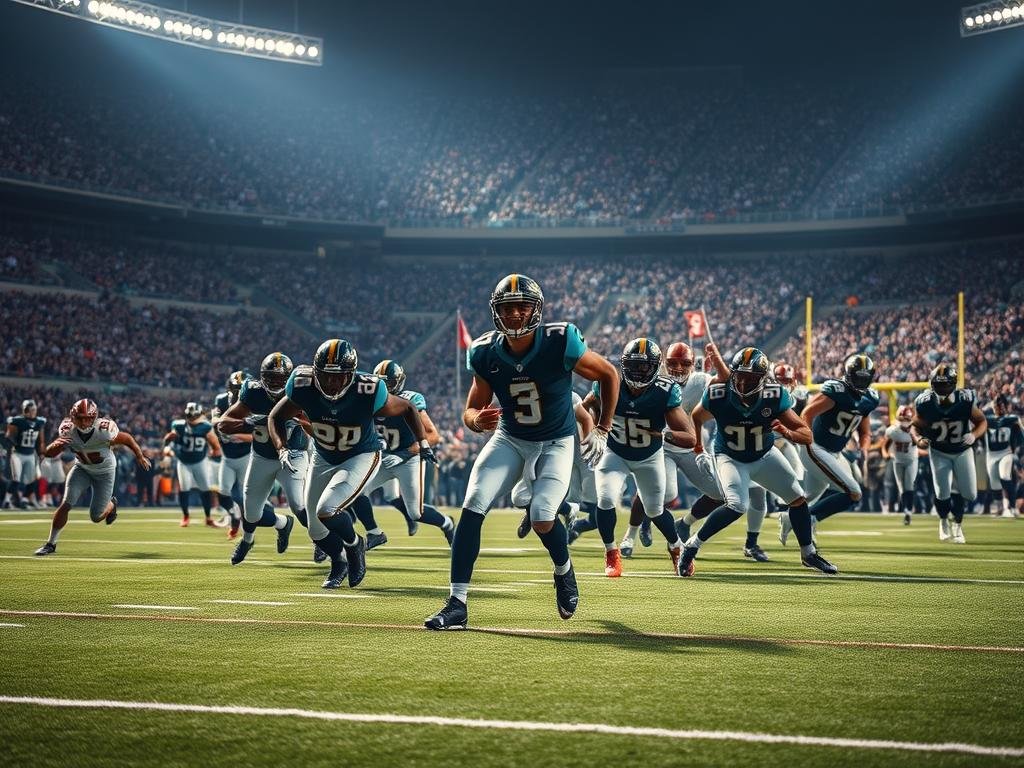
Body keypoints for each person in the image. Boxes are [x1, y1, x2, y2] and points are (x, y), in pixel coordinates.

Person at [424, 274, 619, 630]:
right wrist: (474, 420)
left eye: (522, 306)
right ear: (496, 312)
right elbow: (472, 408)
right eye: (507, 307)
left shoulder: (560, 341)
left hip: (556, 440)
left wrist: (603, 427)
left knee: (544, 516)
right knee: (473, 503)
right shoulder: (484, 351)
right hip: (511, 437)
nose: (514, 314)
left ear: (536, 309)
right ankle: (457, 603)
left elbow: (608, 374)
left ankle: (564, 570)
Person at [269, 339, 438, 589]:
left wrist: (423, 443)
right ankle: (339, 562)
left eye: (339, 377)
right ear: (316, 372)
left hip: (360, 454)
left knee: (327, 509)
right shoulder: (302, 384)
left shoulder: (368, 389)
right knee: (315, 529)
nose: (331, 382)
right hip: (323, 456)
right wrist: (281, 447)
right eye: (325, 376)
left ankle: (354, 544)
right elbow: (275, 416)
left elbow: (408, 408)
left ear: (351, 374)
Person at [679, 347, 837, 576]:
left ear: (763, 379)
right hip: (730, 457)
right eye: (739, 376)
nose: (742, 383)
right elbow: (697, 415)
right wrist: (699, 448)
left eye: (750, 378)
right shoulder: (718, 394)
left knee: (797, 498)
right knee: (737, 505)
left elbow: (806, 434)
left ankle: (808, 553)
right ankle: (691, 545)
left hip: (763, 454)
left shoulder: (774, 395)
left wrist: (789, 433)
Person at [584, 338, 695, 577]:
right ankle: (611, 553)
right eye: (633, 365)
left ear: (655, 367)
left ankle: (677, 548)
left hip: (649, 456)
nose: (637, 371)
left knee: (654, 510)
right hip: (615, 452)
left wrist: (663, 434)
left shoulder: (665, 391)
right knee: (605, 499)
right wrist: (593, 427)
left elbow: (689, 437)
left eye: (644, 366)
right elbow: (586, 407)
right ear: (624, 365)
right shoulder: (608, 382)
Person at [217, 353, 314, 565]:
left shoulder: (299, 392)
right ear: (262, 377)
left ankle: (320, 541)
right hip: (262, 455)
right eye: (271, 377)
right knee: (250, 510)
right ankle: (248, 540)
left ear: (289, 379)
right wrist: (250, 423)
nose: (275, 383)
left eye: (280, 379)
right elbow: (223, 423)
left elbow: (317, 428)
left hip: (293, 454)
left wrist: (301, 421)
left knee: (298, 504)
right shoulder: (253, 392)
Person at [779, 354, 877, 543]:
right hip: (815, 446)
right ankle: (810, 519)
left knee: (810, 496)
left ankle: (790, 518)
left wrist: (864, 448)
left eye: (865, 378)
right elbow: (807, 412)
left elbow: (865, 432)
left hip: (834, 452)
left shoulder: (869, 398)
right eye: (858, 377)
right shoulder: (837, 391)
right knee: (853, 492)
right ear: (849, 375)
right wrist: (805, 435)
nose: (861, 381)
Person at [33, 399, 150, 556]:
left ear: (94, 417)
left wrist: (140, 456)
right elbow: (48, 453)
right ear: (73, 417)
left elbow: (127, 438)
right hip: (82, 469)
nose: (84, 422)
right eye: (80, 418)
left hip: (105, 472)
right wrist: (55, 446)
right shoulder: (67, 429)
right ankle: (50, 544)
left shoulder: (104, 430)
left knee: (95, 517)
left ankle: (111, 505)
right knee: (66, 503)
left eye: (88, 418)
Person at [912, 364, 987, 543]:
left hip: (962, 449)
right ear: (932, 384)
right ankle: (945, 521)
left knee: (969, 494)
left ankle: (958, 523)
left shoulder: (965, 399)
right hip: (939, 450)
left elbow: (982, 421)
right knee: (942, 492)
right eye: (939, 384)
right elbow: (915, 426)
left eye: (946, 384)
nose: (943, 389)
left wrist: (974, 434)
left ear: (953, 384)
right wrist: (918, 440)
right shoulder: (924, 402)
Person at [163, 402, 222, 526]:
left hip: (200, 461)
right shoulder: (178, 425)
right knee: (184, 488)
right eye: (190, 416)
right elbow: (170, 440)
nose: (192, 419)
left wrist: (214, 450)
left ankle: (208, 517)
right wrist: (168, 447)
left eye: (194, 416)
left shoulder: (206, 426)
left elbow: (215, 445)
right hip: (184, 461)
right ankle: (185, 516)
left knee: (205, 489)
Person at [984, 394, 1022, 518]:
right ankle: (1001, 506)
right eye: (995, 404)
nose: (997, 407)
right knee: (995, 483)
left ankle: (1011, 506)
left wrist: (1015, 448)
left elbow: (1020, 437)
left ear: (1005, 406)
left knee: (1005, 476)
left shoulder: (1012, 419)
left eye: (999, 405)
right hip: (991, 454)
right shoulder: (987, 419)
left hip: (1006, 452)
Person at [6, 399, 46, 509]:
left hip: (30, 454)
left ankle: (24, 499)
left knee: (32, 479)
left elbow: (41, 440)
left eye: (34, 409)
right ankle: (7, 500)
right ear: (25, 410)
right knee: (16, 479)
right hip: (18, 453)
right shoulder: (18, 421)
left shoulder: (39, 422)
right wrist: (15, 443)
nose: (33, 411)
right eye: (31, 409)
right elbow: (8, 435)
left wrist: (41, 452)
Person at [883, 405, 918, 525]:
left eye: (907, 420)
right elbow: (885, 444)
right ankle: (906, 511)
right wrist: (885, 453)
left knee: (909, 485)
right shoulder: (893, 430)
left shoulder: (916, 429)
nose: (905, 422)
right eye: (903, 419)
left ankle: (908, 511)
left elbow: (920, 443)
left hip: (911, 460)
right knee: (901, 488)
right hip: (897, 460)